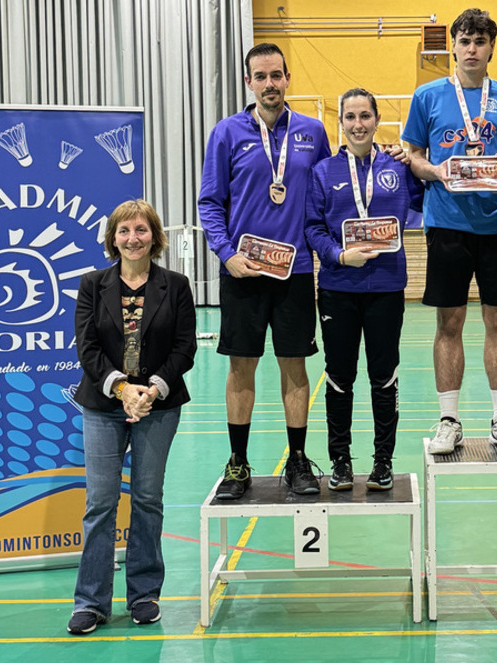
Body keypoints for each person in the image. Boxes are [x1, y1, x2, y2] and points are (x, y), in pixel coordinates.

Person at [198, 42, 331, 498]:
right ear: (249, 82)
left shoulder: (313, 132)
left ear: (287, 78)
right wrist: (226, 253)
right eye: (261, 76)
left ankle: (297, 461)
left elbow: (328, 195)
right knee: (242, 366)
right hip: (244, 272)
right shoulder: (226, 133)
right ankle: (238, 464)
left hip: (294, 273)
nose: (270, 84)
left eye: (277, 75)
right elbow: (210, 202)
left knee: (295, 365)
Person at [403, 8, 497, 455]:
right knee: (448, 322)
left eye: (480, 41)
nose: (472, 48)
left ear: (492, 47)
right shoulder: (428, 96)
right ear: (453, 46)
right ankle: (449, 420)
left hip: (496, 224)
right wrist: (436, 170)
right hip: (446, 223)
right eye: (465, 41)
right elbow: (413, 154)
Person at [68, 200, 197, 634]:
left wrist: (153, 388)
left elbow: (185, 348)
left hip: (159, 405)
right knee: (100, 503)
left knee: (146, 499)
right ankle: (91, 601)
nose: (133, 238)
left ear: (154, 237)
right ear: (113, 238)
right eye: (124, 231)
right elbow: (87, 349)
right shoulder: (92, 284)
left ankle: (144, 595)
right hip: (103, 406)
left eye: (141, 230)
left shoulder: (176, 285)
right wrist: (122, 389)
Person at [304, 88, 424, 491]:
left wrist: (415, 161)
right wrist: (339, 256)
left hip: (387, 287)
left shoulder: (397, 168)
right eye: (350, 117)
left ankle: (383, 462)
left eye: (365, 116)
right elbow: (312, 228)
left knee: (383, 375)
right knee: (339, 377)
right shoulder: (323, 173)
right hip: (338, 287)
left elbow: (425, 198)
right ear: (341, 122)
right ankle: (340, 462)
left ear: (377, 120)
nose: (358, 124)